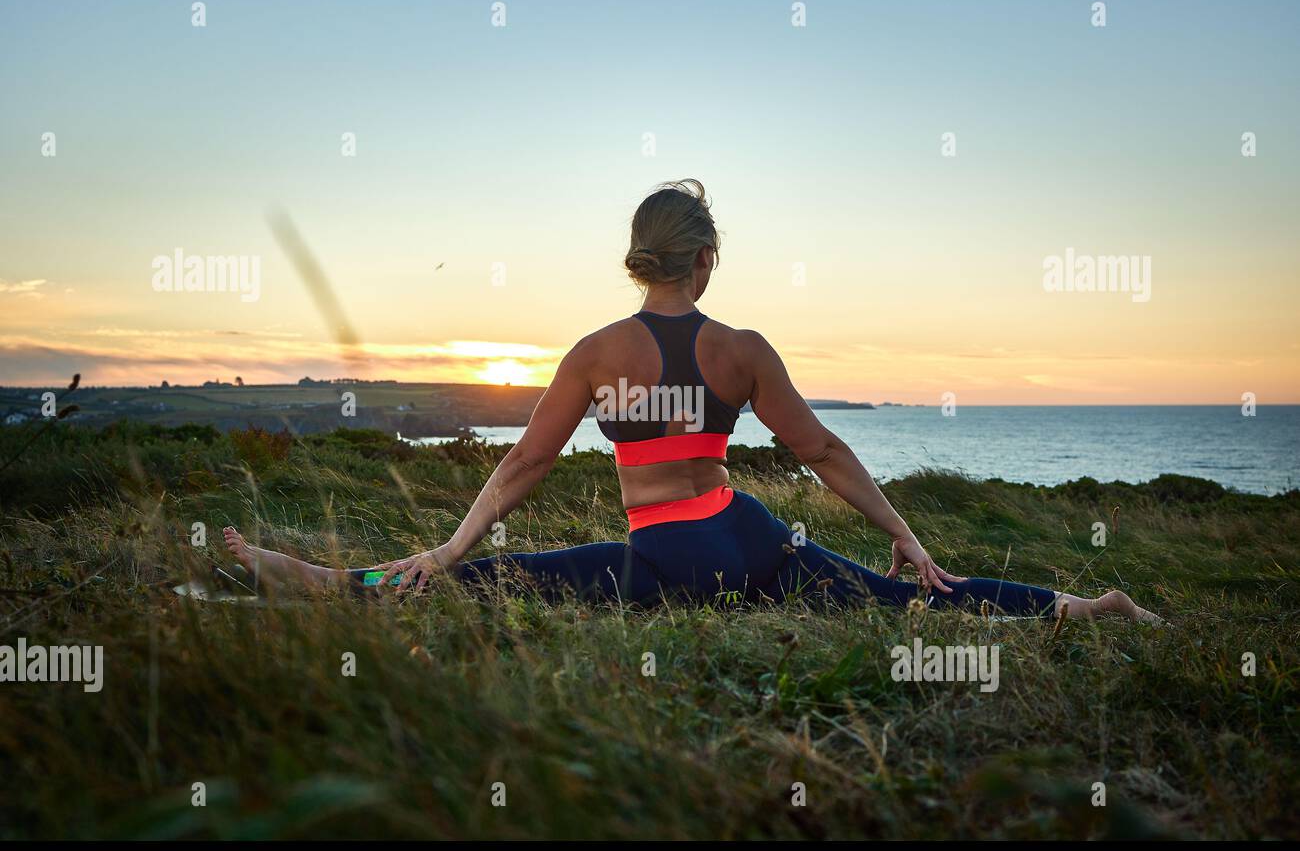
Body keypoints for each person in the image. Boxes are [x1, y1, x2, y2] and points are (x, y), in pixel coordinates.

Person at [224, 180, 1162, 624]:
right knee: (901, 597)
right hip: (748, 537)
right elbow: (825, 453)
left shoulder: (595, 353)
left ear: (641, 258)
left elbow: (523, 463)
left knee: (488, 577)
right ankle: (1088, 606)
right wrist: (907, 534)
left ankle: (330, 582)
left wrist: (453, 542)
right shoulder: (741, 351)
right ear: (705, 258)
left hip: (665, 554)